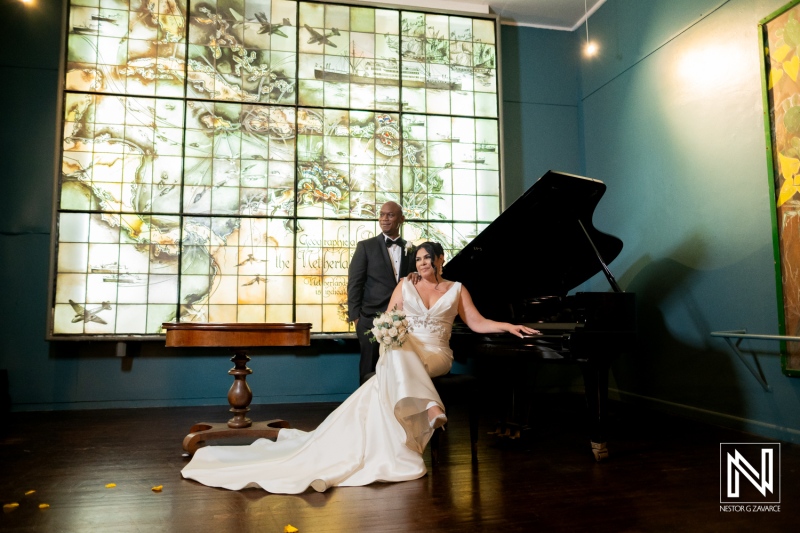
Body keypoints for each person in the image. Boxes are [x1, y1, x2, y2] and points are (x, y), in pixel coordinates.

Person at [181, 242, 539, 494]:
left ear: (441, 260)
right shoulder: (405, 284)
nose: (421, 265)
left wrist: (510, 326)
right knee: (397, 344)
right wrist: (389, 329)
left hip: (437, 355)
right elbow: (389, 318)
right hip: (406, 350)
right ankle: (430, 408)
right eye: (418, 260)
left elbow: (476, 323)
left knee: (400, 353)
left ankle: (428, 405)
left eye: (428, 260)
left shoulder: (457, 289)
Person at [348, 201, 411, 384]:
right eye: (382, 214)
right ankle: (365, 410)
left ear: (401, 219)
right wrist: (356, 318)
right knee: (368, 370)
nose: (384, 219)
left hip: (401, 322)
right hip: (370, 320)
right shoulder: (365, 247)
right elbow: (354, 283)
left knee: (397, 370)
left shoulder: (411, 249)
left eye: (390, 215)